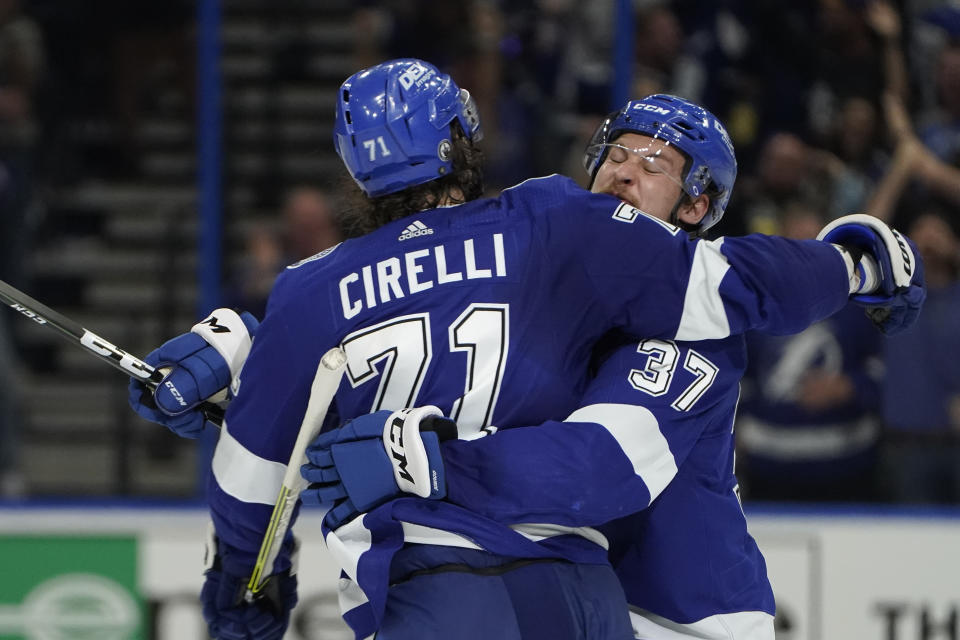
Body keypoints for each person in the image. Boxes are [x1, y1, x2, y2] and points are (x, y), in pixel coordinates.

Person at [130, 61, 923, 640]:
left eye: (654, 164)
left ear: (699, 201)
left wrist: (855, 262)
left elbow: (602, 464)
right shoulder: (551, 232)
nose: (623, 171)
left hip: (677, 624)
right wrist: (247, 359)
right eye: (615, 153)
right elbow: (436, 330)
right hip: (588, 597)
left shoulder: (685, 332)